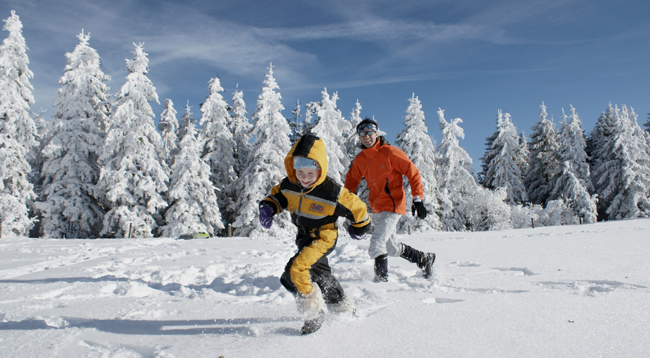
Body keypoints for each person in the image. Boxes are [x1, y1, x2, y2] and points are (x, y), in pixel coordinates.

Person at [259, 134, 372, 335]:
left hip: (323, 238)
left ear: (320, 170)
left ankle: (314, 312)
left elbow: (357, 207)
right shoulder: (290, 185)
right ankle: (341, 307)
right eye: (300, 171)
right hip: (304, 238)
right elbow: (277, 196)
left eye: (310, 173)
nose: (304, 177)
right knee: (319, 274)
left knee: (294, 272)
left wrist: (360, 227)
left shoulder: (331, 192)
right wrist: (268, 208)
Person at [344, 118, 436, 282]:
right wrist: (345, 202)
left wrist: (417, 199)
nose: (367, 136)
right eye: (362, 133)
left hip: (393, 206)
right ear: (359, 136)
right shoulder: (361, 160)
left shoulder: (390, 152)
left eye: (369, 132)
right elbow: (351, 181)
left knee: (376, 244)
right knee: (390, 247)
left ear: (376, 133)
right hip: (377, 207)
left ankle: (381, 283)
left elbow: (412, 172)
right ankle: (423, 259)